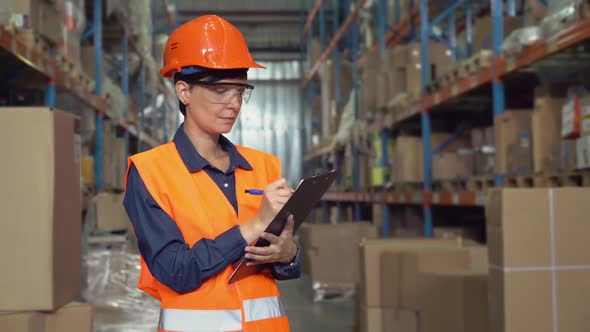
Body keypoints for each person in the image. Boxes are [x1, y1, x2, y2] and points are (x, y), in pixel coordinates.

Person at [123, 15, 300, 332]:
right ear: (184, 91)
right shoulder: (149, 172)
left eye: (240, 91)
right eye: (220, 90)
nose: (233, 104)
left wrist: (288, 254)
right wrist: (255, 224)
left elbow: (278, 261)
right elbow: (176, 270)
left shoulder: (264, 166)